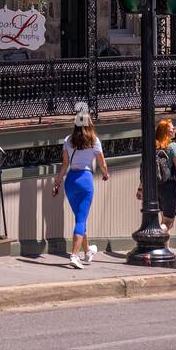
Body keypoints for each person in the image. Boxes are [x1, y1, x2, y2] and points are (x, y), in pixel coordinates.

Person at [53, 114, 109, 268]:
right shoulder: (94, 141)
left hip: (70, 180)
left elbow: (65, 164)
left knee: (79, 217)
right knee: (81, 219)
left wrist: (57, 183)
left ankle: (87, 250)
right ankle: (74, 255)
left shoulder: (67, 140)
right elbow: (102, 163)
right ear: (89, 124)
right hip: (85, 179)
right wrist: (105, 174)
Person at [136, 117, 176, 234]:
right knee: (168, 222)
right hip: (170, 187)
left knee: (163, 219)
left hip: (155, 187)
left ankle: (164, 249)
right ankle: (152, 233)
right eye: (173, 128)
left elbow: (144, 169)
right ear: (167, 131)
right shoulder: (173, 146)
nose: (175, 130)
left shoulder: (152, 146)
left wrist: (140, 188)